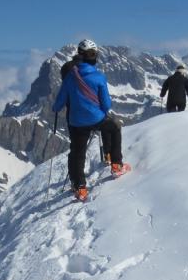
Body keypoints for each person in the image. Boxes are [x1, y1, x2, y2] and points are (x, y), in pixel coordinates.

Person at [52, 40, 130, 201]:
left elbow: (59, 103)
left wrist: (56, 108)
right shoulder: (99, 77)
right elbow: (107, 104)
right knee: (114, 128)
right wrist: (99, 111)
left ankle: (79, 187)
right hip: (97, 119)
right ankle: (116, 164)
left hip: (76, 122)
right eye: (93, 54)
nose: (93, 56)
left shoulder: (69, 77)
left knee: (77, 153)